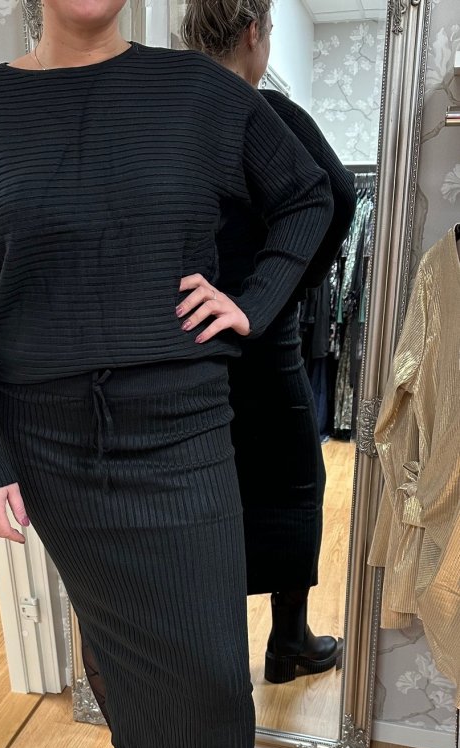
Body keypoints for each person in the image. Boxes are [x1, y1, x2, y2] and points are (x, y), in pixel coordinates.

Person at [0, 0, 333, 748]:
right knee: (106, 639)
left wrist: (252, 302)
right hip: (48, 443)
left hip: (180, 430)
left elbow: (309, 197)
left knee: (211, 659)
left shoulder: (195, 92)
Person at [183, 0, 356, 685]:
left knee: (206, 500)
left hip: (187, 347)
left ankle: (215, 659)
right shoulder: (269, 114)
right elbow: (337, 194)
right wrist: (285, 288)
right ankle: (289, 641)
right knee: (294, 485)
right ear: (254, 31)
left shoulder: (167, 115)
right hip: (266, 340)